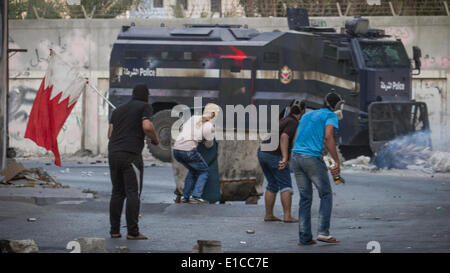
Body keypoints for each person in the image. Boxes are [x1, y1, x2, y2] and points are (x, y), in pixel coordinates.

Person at [291, 92, 344, 245]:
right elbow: (328, 136)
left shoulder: (308, 115)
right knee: (326, 194)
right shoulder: (331, 116)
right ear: (335, 106)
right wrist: (336, 160)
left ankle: (305, 237)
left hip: (296, 156)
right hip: (311, 158)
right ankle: (323, 232)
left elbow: (296, 137)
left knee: (305, 198)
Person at [108, 83, 159, 240]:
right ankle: (133, 232)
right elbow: (147, 126)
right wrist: (155, 140)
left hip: (113, 153)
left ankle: (114, 231)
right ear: (146, 94)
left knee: (117, 192)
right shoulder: (145, 107)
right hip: (131, 155)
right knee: (133, 193)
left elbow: (110, 134)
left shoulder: (117, 110)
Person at [258, 100, 306, 223]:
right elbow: (284, 137)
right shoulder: (293, 122)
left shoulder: (283, 120)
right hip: (274, 155)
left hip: (262, 152)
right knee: (286, 185)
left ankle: (269, 215)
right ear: (303, 111)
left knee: (272, 184)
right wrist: (285, 158)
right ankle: (287, 216)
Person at [172, 103, 220, 204]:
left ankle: (185, 196)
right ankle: (196, 196)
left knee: (193, 170)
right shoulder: (209, 126)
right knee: (204, 171)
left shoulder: (193, 118)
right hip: (188, 151)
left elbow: (181, 129)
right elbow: (209, 146)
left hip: (176, 149)